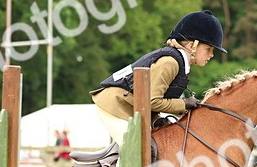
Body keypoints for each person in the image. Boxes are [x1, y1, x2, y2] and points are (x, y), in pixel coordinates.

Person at [90, 10, 226, 145]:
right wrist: (184, 104)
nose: (212, 55)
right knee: (138, 150)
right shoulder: (170, 63)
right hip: (115, 105)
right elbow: (151, 101)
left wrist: (157, 119)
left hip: (129, 107)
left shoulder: (180, 63)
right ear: (192, 46)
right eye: (209, 49)